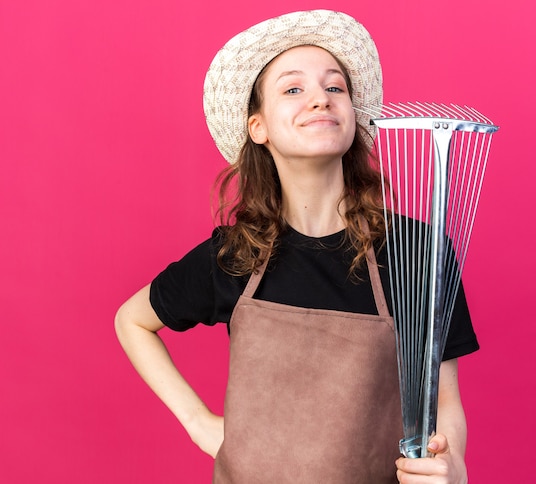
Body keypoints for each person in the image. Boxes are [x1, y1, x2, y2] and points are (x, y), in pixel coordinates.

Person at [115, 9, 479, 484]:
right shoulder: (236, 252)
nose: (319, 100)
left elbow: (443, 399)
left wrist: (451, 465)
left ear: (354, 117)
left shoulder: (416, 251)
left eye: (335, 88)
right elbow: (133, 320)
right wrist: (200, 425)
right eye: (292, 89)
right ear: (258, 127)